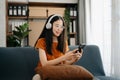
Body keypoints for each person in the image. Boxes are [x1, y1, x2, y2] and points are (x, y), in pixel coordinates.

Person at [32, 14, 83, 80]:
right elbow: (44, 64)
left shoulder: (64, 42)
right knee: (36, 78)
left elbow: (64, 64)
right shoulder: (42, 41)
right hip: (46, 70)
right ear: (49, 26)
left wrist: (74, 59)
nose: (59, 29)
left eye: (61, 27)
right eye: (57, 26)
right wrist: (64, 57)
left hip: (59, 70)